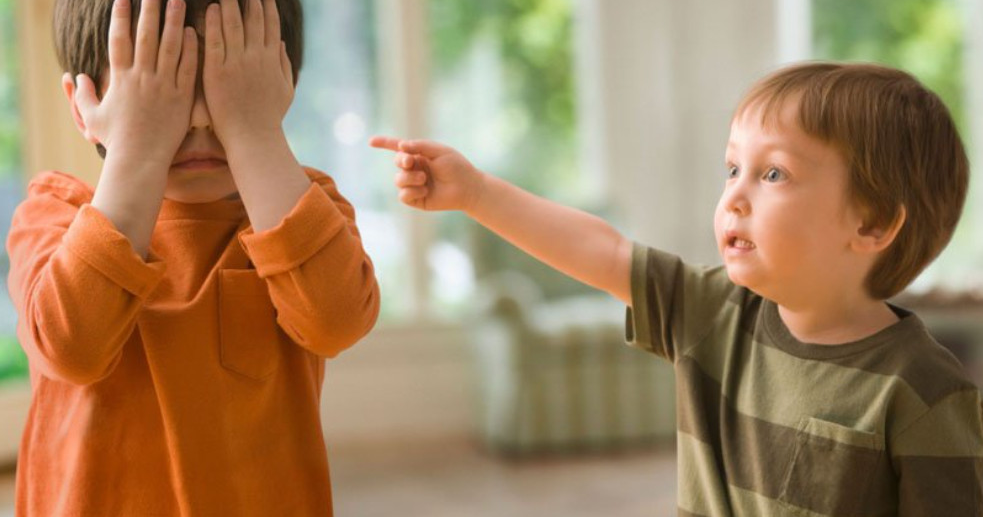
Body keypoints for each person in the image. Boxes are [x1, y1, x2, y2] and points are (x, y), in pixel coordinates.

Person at [371, 61, 983, 515]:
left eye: (774, 173)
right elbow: (604, 251)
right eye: (733, 168)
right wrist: (476, 194)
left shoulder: (926, 393)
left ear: (871, 223)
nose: (735, 196)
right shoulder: (712, 310)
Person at [7, 0, 379, 515]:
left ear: (277, 86)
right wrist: (138, 149)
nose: (202, 117)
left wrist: (255, 136)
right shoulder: (55, 212)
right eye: (163, 85)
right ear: (84, 107)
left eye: (224, 83)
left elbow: (336, 321)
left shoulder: (304, 207)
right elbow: (71, 348)